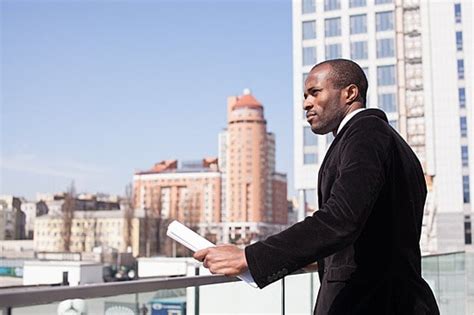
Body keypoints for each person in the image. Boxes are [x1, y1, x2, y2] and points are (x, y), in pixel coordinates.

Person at [194, 59, 440, 314]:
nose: (305, 103)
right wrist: (312, 258)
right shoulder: (389, 141)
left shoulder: (366, 133)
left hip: (374, 303)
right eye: (304, 95)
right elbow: (370, 232)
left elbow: (341, 219)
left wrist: (249, 258)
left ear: (350, 93)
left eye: (315, 92)